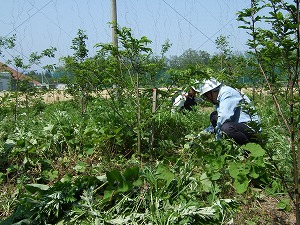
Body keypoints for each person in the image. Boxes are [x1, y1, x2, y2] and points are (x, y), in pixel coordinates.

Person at [193, 78, 261, 145]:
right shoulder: (219, 99)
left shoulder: (227, 93)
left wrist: (218, 140)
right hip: (240, 128)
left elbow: (223, 117)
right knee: (214, 116)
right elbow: (216, 123)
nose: (205, 100)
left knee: (227, 128)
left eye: (205, 97)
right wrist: (198, 137)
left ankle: (249, 151)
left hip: (251, 130)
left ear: (211, 92)